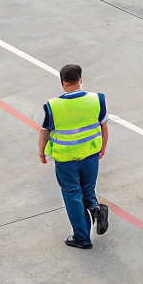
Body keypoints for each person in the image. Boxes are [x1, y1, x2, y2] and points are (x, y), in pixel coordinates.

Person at [39, 64, 109, 250]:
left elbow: (45, 130)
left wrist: (42, 151)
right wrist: (102, 148)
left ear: (63, 83)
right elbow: (103, 125)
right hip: (90, 154)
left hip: (66, 159)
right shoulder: (97, 99)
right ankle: (95, 209)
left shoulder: (52, 105)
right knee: (88, 188)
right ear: (80, 79)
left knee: (72, 194)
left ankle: (82, 237)